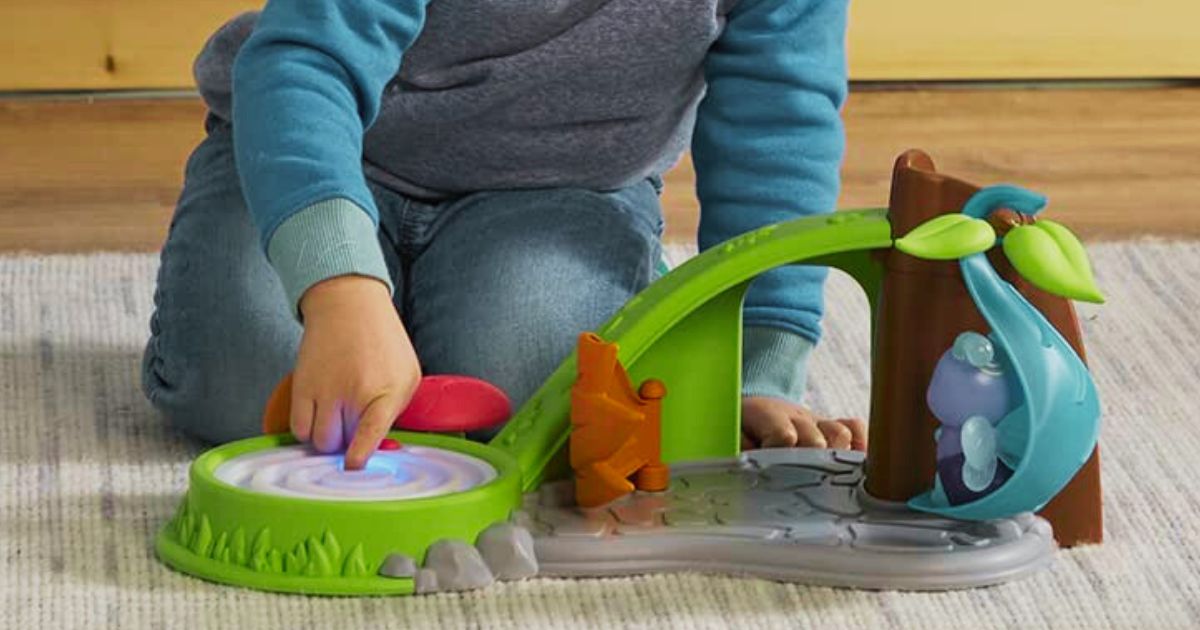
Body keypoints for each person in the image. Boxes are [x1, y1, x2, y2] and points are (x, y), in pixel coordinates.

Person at [142, 0, 866, 470]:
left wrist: (751, 371)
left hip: (561, 189)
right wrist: (338, 291)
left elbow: (779, 122)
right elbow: (307, 64)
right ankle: (377, 316)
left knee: (540, 403)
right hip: (334, 159)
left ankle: (403, 341)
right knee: (245, 384)